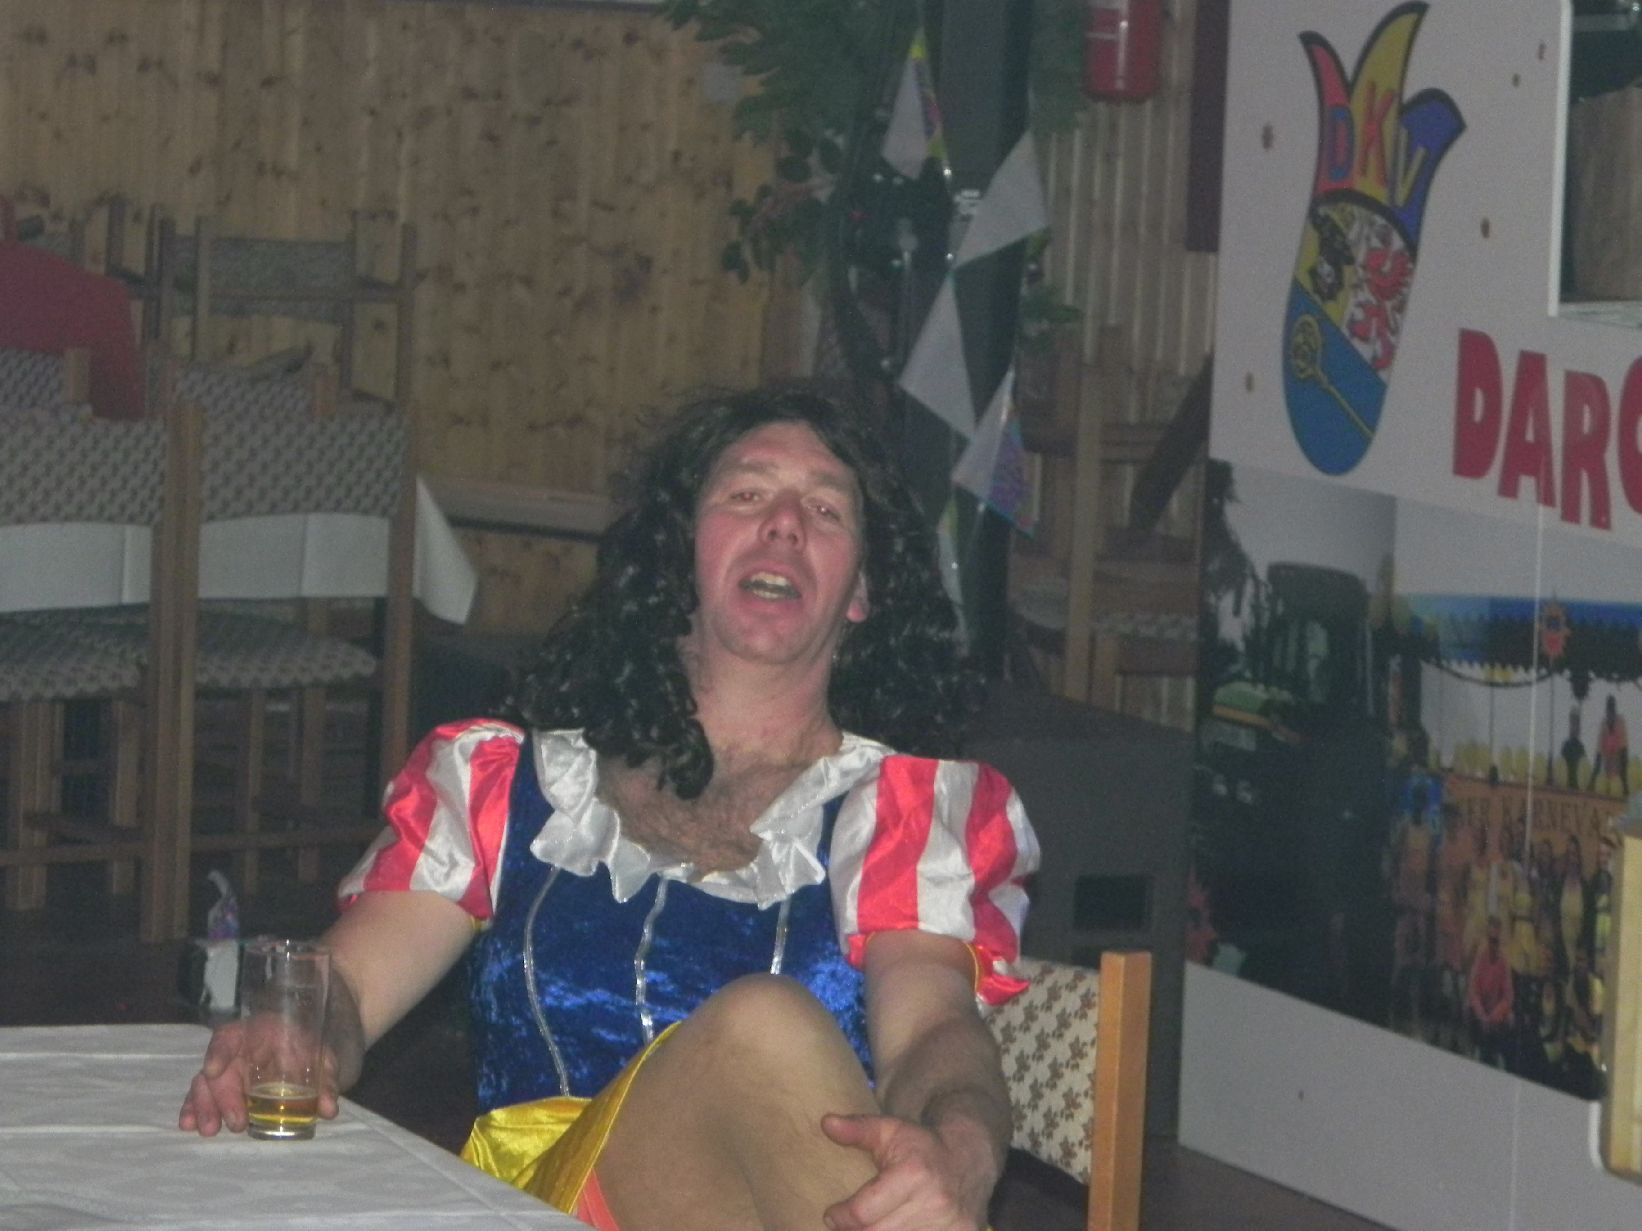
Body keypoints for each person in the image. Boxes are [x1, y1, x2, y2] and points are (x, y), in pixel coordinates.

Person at [179, 386, 1042, 1231]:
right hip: (535, 1209)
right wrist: (296, 1033)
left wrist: (964, 1147)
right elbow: (349, 986)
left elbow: (932, 1030)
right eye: (747, 494)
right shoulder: (511, 786)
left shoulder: (898, 815)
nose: (785, 523)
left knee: (788, 1052)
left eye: (825, 510)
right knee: (764, 1022)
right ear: (681, 552)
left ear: (860, 591)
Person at [1589, 694, 1629, 793]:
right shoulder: (1603, 725)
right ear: (1606, 711)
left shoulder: (1620, 723)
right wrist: (1592, 781)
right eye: (1609, 709)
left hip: (1619, 775)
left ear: (1615, 710)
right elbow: (1598, 755)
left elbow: (1624, 752)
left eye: (1612, 709)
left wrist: (1624, 781)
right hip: (1607, 773)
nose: (1610, 713)